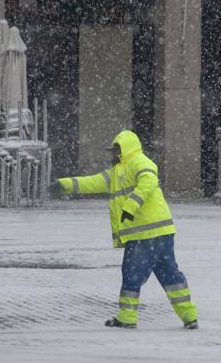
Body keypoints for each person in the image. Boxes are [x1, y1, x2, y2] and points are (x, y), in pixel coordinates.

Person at [49, 130, 199, 329]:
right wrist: (63, 185)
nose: (113, 154)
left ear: (125, 148)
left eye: (116, 149)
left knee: (132, 273)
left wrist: (130, 206)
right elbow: (90, 182)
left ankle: (127, 317)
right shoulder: (118, 172)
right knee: (170, 275)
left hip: (143, 233)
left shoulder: (139, 161)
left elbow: (148, 182)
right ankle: (189, 316)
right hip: (161, 231)